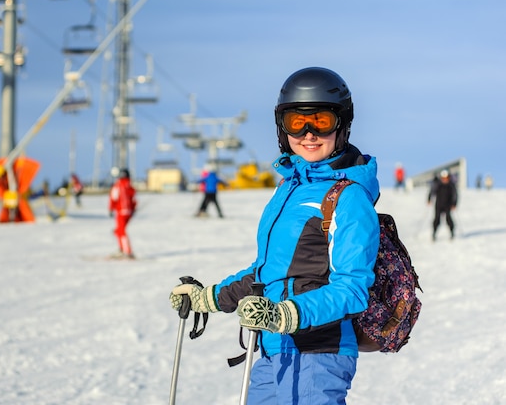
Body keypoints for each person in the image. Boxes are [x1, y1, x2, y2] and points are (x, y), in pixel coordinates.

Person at [170, 67, 380, 404]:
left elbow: (352, 290)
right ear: (282, 126)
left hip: (319, 352)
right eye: (297, 121)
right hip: (272, 347)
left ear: (342, 123)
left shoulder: (348, 197)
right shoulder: (288, 188)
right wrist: (209, 298)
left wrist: (286, 314)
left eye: (322, 120)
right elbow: (267, 272)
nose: (309, 133)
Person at [108, 168, 137, 259]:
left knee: (121, 231)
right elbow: (134, 200)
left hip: (121, 212)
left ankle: (127, 252)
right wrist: (133, 210)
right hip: (129, 213)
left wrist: (111, 209)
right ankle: (122, 249)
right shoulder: (130, 186)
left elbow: (113, 197)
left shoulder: (118, 185)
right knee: (118, 231)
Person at [427, 169, 457, 241]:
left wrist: (454, 204)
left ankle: (452, 233)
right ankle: (434, 234)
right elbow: (432, 191)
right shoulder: (438, 184)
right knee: (437, 219)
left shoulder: (451, 185)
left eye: (446, 178)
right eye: (443, 178)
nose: (445, 179)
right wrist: (429, 199)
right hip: (439, 205)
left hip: (448, 205)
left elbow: (455, 195)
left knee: (448, 219)